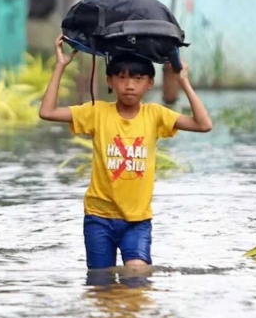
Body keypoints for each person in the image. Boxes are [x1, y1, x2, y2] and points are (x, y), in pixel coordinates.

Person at [39, 36, 212, 270]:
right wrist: (61, 66)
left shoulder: (155, 114)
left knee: (137, 274)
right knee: (100, 281)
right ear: (110, 81)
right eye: (122, 77)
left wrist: (183, 81)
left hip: (138, 220)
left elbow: (203, 125)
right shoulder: (97, 112)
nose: (129, 85)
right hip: (99, 217)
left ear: (149, 83)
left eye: (138, 78)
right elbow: (47, 112)